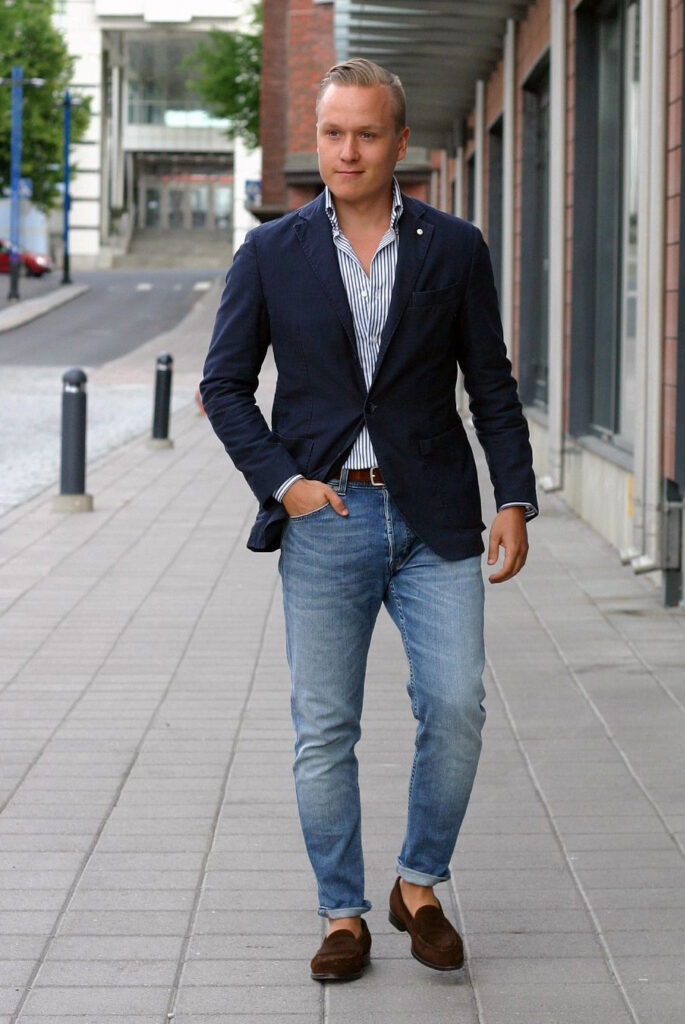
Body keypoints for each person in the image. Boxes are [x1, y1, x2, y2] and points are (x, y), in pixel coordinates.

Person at [200, 57, 538, 983]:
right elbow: (223, 387)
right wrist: (284, 484)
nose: (347, 151)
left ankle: (417, 884)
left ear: (399, 143)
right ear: (318, 140)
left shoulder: (454, 247)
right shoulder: (270, 252)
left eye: (367, 134)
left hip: (435, 517)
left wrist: (513, 496)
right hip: (327, 516)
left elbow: (492, 388)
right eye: (333, 133)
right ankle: (342, 912)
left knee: (456, 705)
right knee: (323, 726)